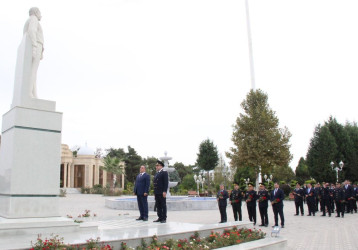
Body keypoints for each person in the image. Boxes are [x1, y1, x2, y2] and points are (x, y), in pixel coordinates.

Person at [23, 7, 44, 98]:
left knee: (33, 71)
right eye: (39, 12)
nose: (41, 15)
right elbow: (32, 31)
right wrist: (35, 46)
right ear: (36, 12)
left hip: (33, 45)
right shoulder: (34, 19)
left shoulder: (30, 20)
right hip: (35, 44)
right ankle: (29, 93)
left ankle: (33, 93)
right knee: (33, 71)